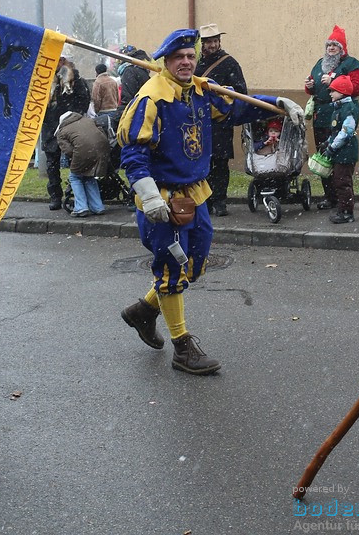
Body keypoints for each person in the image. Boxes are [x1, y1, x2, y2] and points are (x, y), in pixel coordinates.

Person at [117, 28, 303, 375]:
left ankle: (144, 311)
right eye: (179, 57)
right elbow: (133, 153)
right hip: (164, 200)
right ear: (167, 62)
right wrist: (149, 195)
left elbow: (238, 109)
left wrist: (276, 104)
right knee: (172, 269)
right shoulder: (151, 99)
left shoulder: (202, 91)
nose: (186, 62)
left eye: (191, 56)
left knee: (195, 264)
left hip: (195, 195)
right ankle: (182, 347)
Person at [304, 25, 359, 210]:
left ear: (342, 48)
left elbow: (358, 87)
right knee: (323, 157)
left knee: (339, 160)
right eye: (329, 45)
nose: (331, 48)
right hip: (320, 115)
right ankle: (329, 197)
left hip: (340, 116)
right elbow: (311, 86)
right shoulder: (320, 63)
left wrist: (335, 83)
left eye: (335, 45)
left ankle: (343, 201)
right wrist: (309, 85)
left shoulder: (352, 64)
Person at [194, 24, 247, 217]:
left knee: (220, 162)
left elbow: (241, 91)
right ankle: (205, 201)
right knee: (202, 163)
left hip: (220, 121)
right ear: (203, 44)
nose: (213, 45)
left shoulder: (229, 63)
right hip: (199, 122)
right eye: (209, 42)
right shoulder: (196, 64)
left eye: (216, 41)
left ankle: (220, 201)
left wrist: (222, 93)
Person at [39, 56, 89, 210]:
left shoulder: (74, 78)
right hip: (50, 127)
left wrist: (74, 115)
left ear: (62, 61)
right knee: (52, 164)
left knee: (76, 161)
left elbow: (84, 99)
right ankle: (55, 196)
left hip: (69, 125)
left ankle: (76, 195)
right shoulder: (44, 79)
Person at [318, 75, 359, 223]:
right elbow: (336, 132)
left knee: (342, 182)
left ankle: (347, 213)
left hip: (346, 152)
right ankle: (343, 209)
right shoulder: (339, 108)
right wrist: (327, 142)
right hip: (341, 152)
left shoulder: (349, 108)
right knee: (339, 180)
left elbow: (346, 132)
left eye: (333, 91)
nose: (330, 94)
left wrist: (332, 147)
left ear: (341, 92)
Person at [56, 110, 109, 217]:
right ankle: (97, 206)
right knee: (89, 177)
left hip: (83, 151)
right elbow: (101, 132)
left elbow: (69, 150)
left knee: (75, 177)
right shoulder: (88, 120)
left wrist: (75, 158)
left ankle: (81, 207)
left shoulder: (62, 131)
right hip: (103, 149)